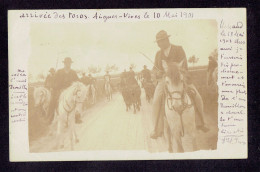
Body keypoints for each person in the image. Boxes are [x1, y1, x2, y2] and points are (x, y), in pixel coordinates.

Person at [150, 30, 209, 139]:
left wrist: (175, 72)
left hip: (180, 78)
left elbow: (184, 66)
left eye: (160, 41)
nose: (158, 44)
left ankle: (202, 122)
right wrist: (157, 72)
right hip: (165, 80)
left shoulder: (179, 49)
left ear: (166, 40)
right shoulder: (158, 54)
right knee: (156, 101)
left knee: (197, 96)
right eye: (157, 42)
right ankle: (155, 129)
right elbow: (154, 69)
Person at [49, 57, 81, 123]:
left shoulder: (73, 72)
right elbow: (54, 81)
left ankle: (77, 116)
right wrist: (54, 87)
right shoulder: (59, 72)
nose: (68, 64)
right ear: (64, 63)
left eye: (69, 63)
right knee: (53, 100)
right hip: (60, 90)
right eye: (67, 63)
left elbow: (77, 81)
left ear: (71, 64)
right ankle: (49, 118)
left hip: (71, 91)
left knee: (77, 100)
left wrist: (78, 86)